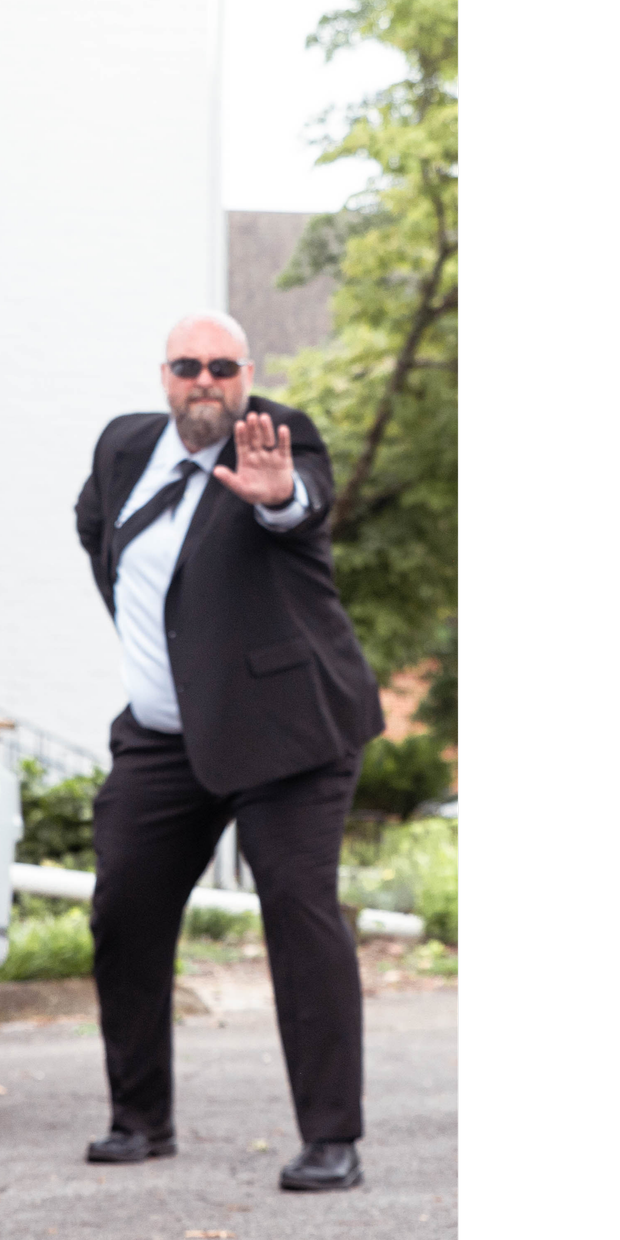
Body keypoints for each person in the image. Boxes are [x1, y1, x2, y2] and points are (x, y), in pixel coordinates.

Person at [71, 311, 384, 1191]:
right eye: (185, 365)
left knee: (298, 910)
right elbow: (99, 533)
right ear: (163, 375)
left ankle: (331, 1138)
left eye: (220, 365)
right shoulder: (124, 448)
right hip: (163, 738)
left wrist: (280, 497)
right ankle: (141, 1118)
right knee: (124, 909)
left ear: (247, 373)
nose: (202, 380)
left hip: (287, 733)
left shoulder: (276, 440)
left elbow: (303, 504)